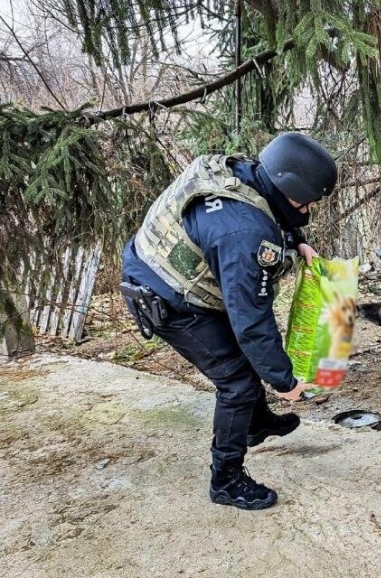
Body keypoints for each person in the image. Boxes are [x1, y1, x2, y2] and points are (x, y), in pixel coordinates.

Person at [120, 133, 337, 511]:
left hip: (162, 267)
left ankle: (255, 424)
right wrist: (285, 381)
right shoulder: (245, 236)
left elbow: (262, 207)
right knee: (235, 380)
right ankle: (227, 479)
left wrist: (295, 239)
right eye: (307, 202)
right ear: (287, 187)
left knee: (242, 359)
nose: (308, 209)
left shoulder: (240, 171)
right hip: (168, 298)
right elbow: (251, 321)